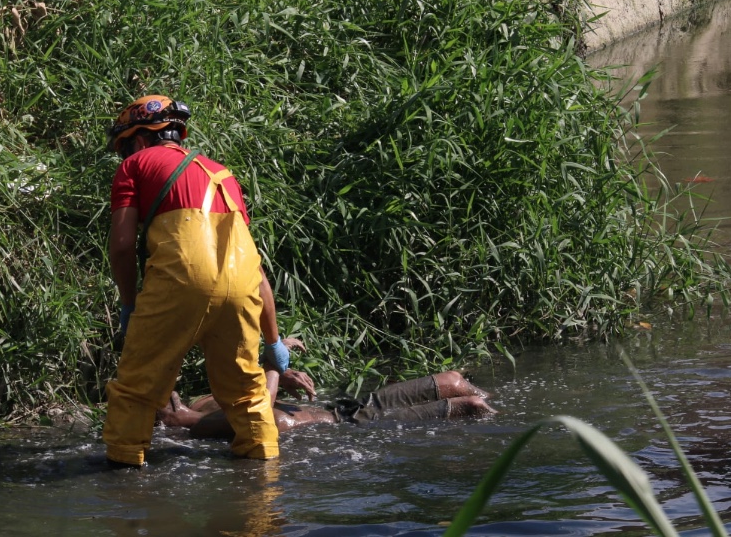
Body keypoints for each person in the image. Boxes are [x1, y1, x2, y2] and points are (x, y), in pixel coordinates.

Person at [103, 94, 291, 467]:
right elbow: (256, 271)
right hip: (241, 288)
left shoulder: (135, 164)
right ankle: (263, 491)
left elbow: (122, 247)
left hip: (181, 280)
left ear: (138, 141)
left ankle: (122, 481)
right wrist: (273, 342)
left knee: (137, 389)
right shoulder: (223, 175)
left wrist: (128, 303)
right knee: (247, 395)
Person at [157, 367, 496, 439]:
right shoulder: (195, 421)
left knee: (452, 380)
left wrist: (274, 372)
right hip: (351, 426)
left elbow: (252, 394)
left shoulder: (203, 402)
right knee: (472, 406)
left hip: (346, 408)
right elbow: (263, 415)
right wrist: (275, 365)